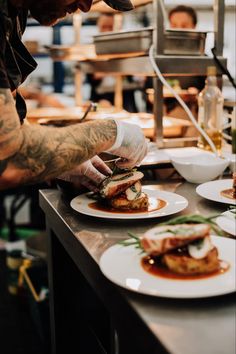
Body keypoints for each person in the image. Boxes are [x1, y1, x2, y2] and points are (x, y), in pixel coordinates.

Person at [0, 0, 147, 192]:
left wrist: (63, 155)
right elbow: (8, 158)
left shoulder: (15, 13)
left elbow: (11, 122)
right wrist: (111, 133)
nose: (86, 7)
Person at [87, 12, 138, 112]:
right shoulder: (91, 49)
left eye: (110, 27)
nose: (107, 31)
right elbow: (92, 77)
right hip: (100, 98)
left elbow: (134, 75)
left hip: (126, 99)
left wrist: (104, 70)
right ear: (98, 27)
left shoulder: (128, 48)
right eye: (104, 27)